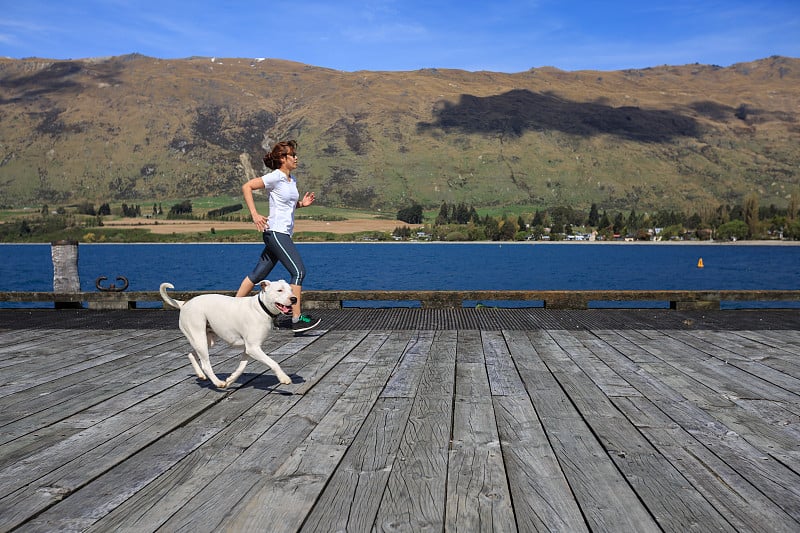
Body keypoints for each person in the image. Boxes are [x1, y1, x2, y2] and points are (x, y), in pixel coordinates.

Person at [235, 140, 321, 333]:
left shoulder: (292, 180)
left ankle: (231, 311)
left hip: (282, 234)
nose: (296, 158)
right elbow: (247, 186)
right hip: (275, 232)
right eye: (293, 155)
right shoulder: (275, 177)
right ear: (283, 159)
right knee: (298, 272)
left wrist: (301, 204)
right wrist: (255, 215)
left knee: (258, 275)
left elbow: (287, 204)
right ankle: (297, 319)